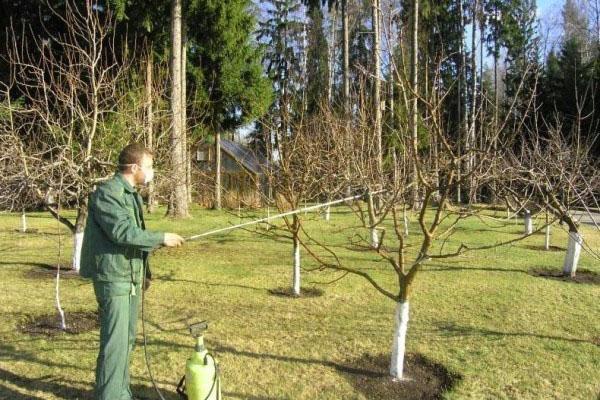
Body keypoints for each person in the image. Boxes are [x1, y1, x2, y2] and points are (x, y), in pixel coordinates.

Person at [80, 143, 185, 400]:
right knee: (114, 344)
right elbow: (121, 233)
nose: (152, 172)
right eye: (149, 167)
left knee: (126, 341)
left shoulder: (131, 194)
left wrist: (151, 251)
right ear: (135, 167)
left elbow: (131, 237)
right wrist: (161, 237)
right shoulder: (109, 193)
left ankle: (120, 393)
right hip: (114, 279)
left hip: (130, 278)